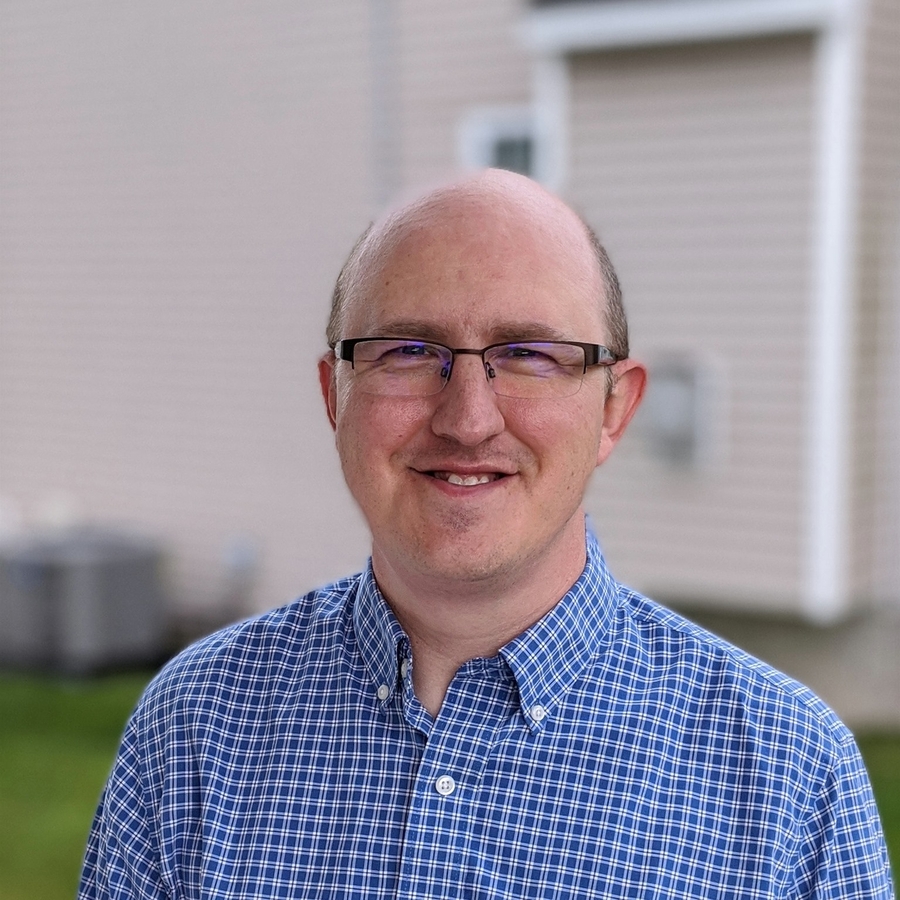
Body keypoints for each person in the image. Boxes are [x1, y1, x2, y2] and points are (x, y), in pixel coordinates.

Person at [79, 169, 893, 899]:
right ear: (335, 396)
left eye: (530, 354)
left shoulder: (788, 778)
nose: (468, 419)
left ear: (614, 408)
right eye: (409, 350)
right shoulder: (195, 728)